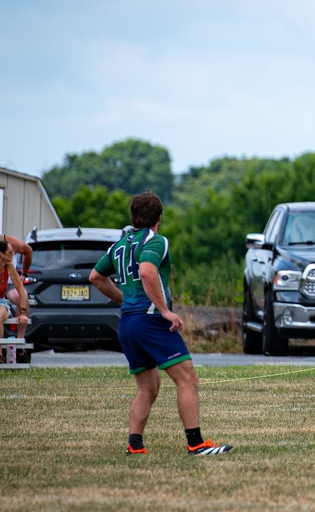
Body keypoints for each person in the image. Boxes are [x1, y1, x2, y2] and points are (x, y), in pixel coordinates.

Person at [89, 191, 233, 456]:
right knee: (187, 379)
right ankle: (196, 443)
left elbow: (96, 277)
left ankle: (135, 445)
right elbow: (146, 271)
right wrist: (165, 311)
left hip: (128, 323)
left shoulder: (118, 245)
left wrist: (123, 300)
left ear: (133, 217)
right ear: (159, 217)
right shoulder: (156, 241)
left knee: (147, 387)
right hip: (150, 320)